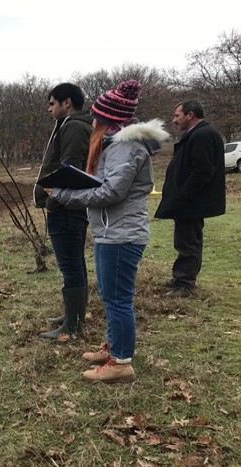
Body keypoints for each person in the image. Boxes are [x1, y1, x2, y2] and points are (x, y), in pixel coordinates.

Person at [46, 80, 170, 383]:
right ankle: (115, 347)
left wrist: (64, 194)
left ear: (108, 119)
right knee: (111, 295)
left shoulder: (126, 147)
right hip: (111, 232)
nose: (93, 122)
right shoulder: (117, 146)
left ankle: (121, 362)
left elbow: (110, 192)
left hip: (122, 234)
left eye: (97, 117)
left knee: (118, 299)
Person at [33, 83, 93, 341]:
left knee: (71, 265)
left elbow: (71, 170)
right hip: (68, 206)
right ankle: (73, 315)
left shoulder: (74, 127)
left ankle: (74, 325)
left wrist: (54, 202)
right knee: (74, 262)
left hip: (67, 208)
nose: (49, 109)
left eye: (51, 103)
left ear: (66, 102)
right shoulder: (71, 125)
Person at [154, 100, 226, 297]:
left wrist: (183, 195)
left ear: (190, 115)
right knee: (185, 240)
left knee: (188, 242)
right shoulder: (198, 134)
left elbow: (202, 171)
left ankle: (185, 284)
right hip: (190, 201)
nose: (174, 120)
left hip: (192, 202)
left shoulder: (202, 135)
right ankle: (181, 278)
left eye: (177, 115)